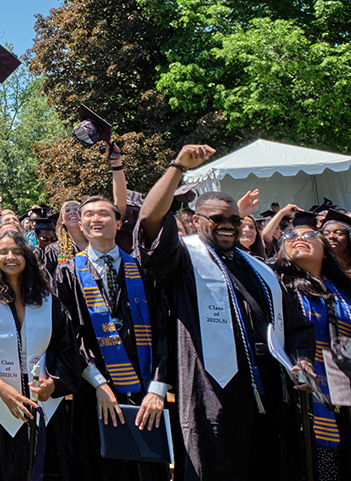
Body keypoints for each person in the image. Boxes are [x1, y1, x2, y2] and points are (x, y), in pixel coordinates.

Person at [136, 145, 316, 481]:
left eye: (235, 220)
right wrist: (177, 167)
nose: (228, 226)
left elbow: (298, 328)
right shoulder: (184, 260)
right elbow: (149, 221)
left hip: (270, 395)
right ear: (195, 220)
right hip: (213, 393)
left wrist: (302, 359)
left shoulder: (260, 270)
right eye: (217, 219)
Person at [53, 196, 171, 481]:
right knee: (96, 467)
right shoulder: (67, 273)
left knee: (146, 469)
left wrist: (158, 388)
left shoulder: (144, 270)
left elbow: (165, 330)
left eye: (104, 214)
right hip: (93, 389)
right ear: (79, 225)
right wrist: (98, 383)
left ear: (119, 223)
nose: (97, 220)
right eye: (89, 215)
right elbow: (67, 334)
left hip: (145, 391)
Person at [0, 232, 81, 481]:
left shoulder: (49, 301)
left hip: (45, 396)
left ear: (27, 256)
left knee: (48, 465)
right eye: (3, 252)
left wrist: (55, 383)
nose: (11, 257)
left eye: (17, 251)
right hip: (0, 397)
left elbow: (67, 348)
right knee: (6, 467)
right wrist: (2, 389)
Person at [272, 215, 351, 479]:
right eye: (290, 237)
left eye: (309, 236)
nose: (298, 239)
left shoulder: (343, 291)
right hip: (301, 394)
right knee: (314, 463)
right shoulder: (276, 286)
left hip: (344, 390)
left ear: (326, 251)